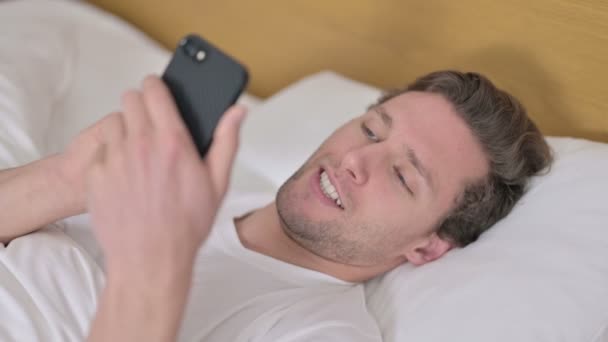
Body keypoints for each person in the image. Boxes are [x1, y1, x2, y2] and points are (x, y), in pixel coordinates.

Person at [0, 71, 552, 341]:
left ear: (427, 246)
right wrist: (68, 176)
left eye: (403, 175)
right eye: (370, 128)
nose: (357, 158)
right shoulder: (191, 186)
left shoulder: (319, 334)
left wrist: (154, 268)